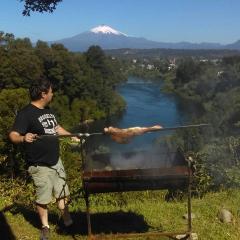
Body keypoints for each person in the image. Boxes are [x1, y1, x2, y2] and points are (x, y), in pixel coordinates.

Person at [9, 78, 78, 240]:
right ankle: (45, 227)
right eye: (51, 91)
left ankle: (68, 221)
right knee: (43, 197)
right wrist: (23, 138)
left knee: (62, 193)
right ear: (43, 94)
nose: (53, 94)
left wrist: (72, 136)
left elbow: (56, 128)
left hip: (56, 161)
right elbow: (13, 135)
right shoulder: (25, 114)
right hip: (39, 165)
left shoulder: (49, 111)